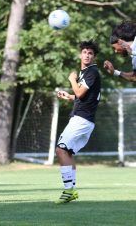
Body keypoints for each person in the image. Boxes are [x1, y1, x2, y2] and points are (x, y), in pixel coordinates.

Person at [55, 40, 101, 204]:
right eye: (85, 52)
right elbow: (84, 97)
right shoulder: (87, 73)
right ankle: (71, 189)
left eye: (90, 53)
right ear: (80, 54)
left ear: (94, 57)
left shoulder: (91, 72)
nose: (87, 55)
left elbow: (80, 93)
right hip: (85, 120)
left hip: (82, 119)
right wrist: (69, 97)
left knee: (60, 150)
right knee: (67, 152)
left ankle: (69, 190)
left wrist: (72, 79)